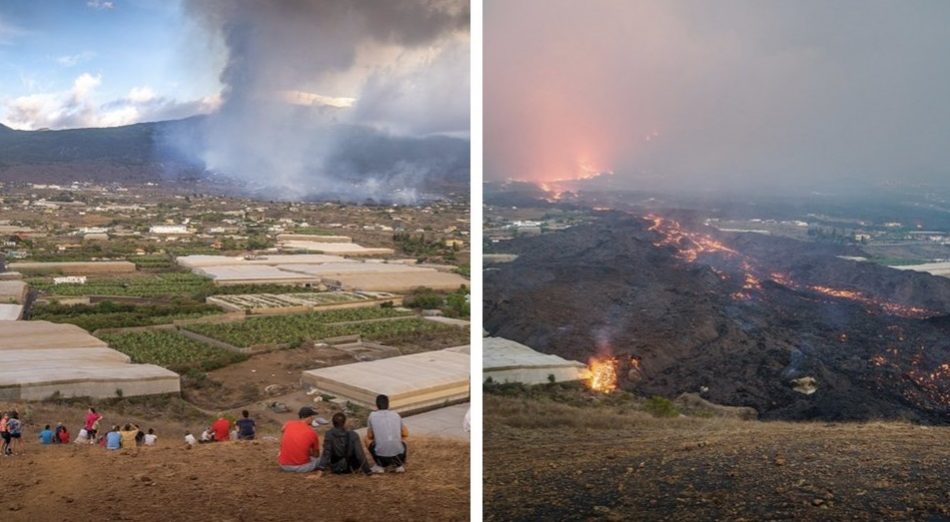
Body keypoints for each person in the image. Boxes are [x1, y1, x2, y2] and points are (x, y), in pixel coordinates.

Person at [366, 394, 408, 473]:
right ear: (388, 405)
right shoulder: (396, 414)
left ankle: (379, 465)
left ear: (376, 405)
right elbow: (406, 433)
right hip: (399, 456)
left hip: (381, 457)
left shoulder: (372, 415)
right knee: (404, 438)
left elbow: (369, 436)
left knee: (366, 438)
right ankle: (399, 466)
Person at [277, 407, 321, 473]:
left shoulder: (289, 424)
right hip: (301, 467)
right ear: (310, 417)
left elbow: (282, 429)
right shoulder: (312, 432)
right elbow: (316, 455)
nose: (312, 418)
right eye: (312, 417)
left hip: (283, 465)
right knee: (320, 459)